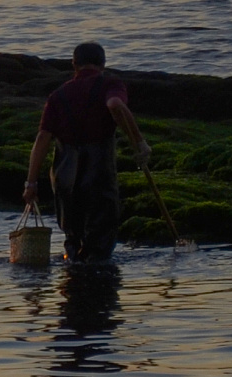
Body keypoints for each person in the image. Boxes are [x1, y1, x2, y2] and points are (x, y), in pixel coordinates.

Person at [24, 41, 150, 266]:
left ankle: (73, 288)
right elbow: (114, 105)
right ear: (103, 63)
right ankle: (97, 292)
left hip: (64, 174)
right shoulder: (110, 84)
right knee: (99, 245)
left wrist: (31, 184)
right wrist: (139, 143)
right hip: (97, 172)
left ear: (74, 64)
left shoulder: (58, 95)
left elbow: (42, 139)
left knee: (73, 240)